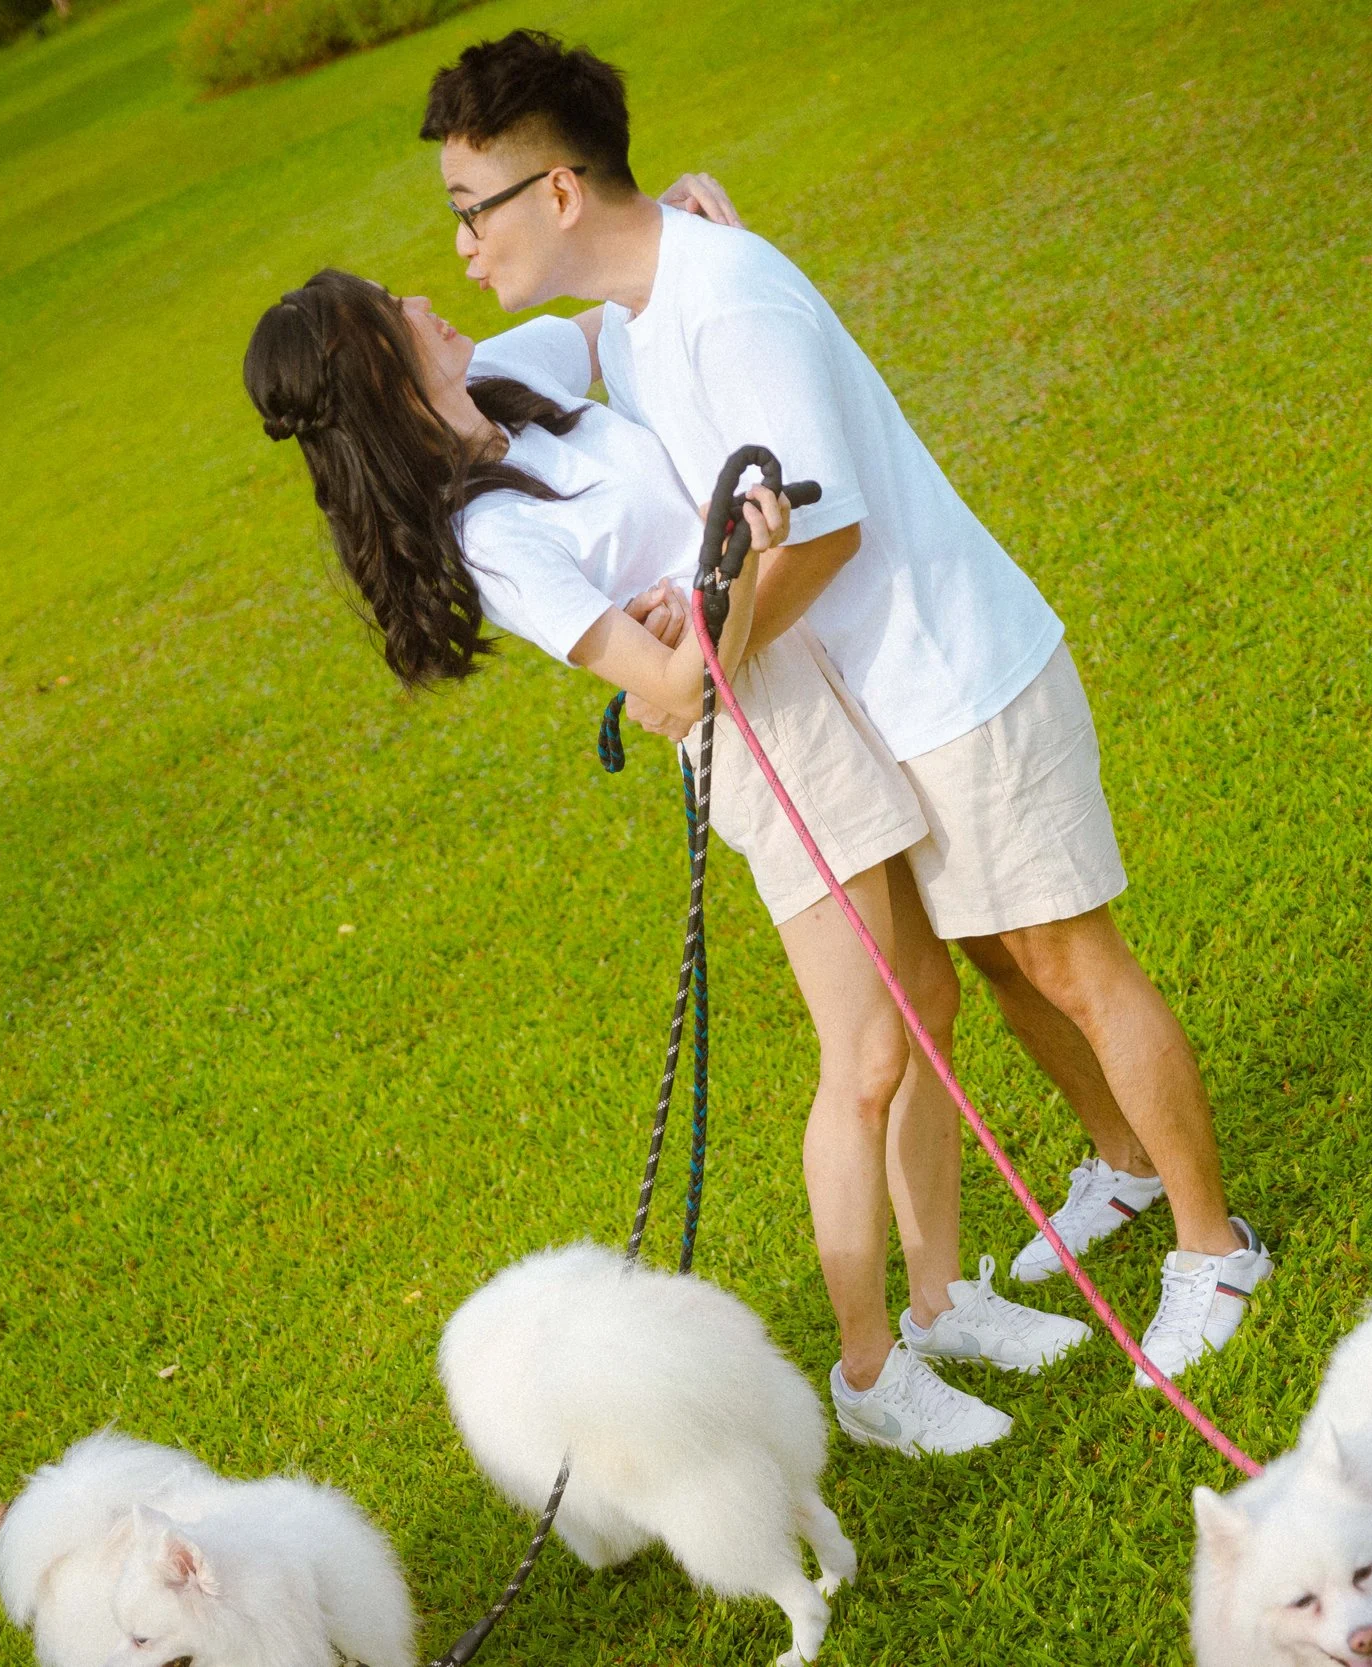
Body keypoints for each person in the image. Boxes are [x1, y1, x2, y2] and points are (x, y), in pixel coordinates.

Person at [419, 31, 1279, 1397]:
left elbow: (821, 533)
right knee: (995, 964)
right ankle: (1120, 1161)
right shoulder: (640, 319)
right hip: (879, 697)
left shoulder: (721, 302)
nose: (463, 248)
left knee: (1069, 958)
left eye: (475, 210)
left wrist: (699, 639)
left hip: (951, 668)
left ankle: (1212, 1244)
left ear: (560, 192)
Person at [242, 271, 1089, 1457]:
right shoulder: (495, 535)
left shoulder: (510, 380)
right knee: (864, 1050)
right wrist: (737, 571)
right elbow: (676, 692)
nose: (429, 295)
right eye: (397, 306)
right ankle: (866, 1368)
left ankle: (944, 1302)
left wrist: (694, 228)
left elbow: (611, 314)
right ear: (379, 370)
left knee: (926, 1001)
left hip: (811, 674)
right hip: (763, 742)